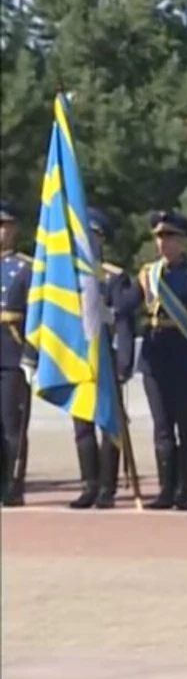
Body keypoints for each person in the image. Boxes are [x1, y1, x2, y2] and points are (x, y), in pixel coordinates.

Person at [135, 210, 187, 510]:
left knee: (186, 425)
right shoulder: (148, 274)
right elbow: (130, 302)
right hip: (155, 358)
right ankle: (166, 489)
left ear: (183, 242)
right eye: (159, 237)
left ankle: (185, 490)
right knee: (162, 425)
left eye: (169, 237)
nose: (163, 243)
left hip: (185, 356)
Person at [65, 218, 139, 509]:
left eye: (93, 235)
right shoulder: (67, 276)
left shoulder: (113, 277)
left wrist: (123, 362)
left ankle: (107, 487)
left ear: (101, 239)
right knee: (82, 425)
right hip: (78, 358)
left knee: (110, 424)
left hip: (106, 357)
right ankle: (89, 484)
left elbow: (124, 323)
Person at [0, 201, 35, 506]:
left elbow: (37, 316)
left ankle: (13, 484)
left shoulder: (26, 268)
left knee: (12, 425)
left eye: (5, 227)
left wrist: (31, 355)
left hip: (12, 354)